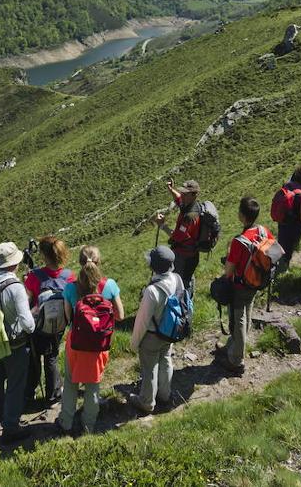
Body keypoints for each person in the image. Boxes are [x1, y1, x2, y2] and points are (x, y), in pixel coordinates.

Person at [57, 246, 123, 434]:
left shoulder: (70, 287)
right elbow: (120, 315)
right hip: (99, 345)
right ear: (99, 262)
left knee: (70, 383)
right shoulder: (109, 285)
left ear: (79, 262)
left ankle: (66, 421)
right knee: (93, 384)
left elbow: (69, 317)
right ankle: (89, 425)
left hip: (76, 343)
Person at [0, 241, 36, 443]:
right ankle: (11, 426)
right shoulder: (16, 287)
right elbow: (28, 325)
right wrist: (33, 312)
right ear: (15, 264)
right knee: (15, 385)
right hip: (14, 344)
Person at [129, 245, 184, 415]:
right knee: (166, 360)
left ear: (153, 267)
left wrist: (134, 342)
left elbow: (142, 321)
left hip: (152, 336)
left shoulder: (152, 291)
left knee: (149, 367)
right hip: (170, 331)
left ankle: (147, 402)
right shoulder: (177, 279)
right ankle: (164, 395)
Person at [216, 197, 266, 376]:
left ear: (242, 216)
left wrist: (229, 257)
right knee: (248, 312)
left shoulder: (239, 241)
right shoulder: (263, 231)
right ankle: (234, 345)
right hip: (257, 281)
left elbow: (229, 271)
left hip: (240, 285)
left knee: (238, 319)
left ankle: (237, 360)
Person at [24, 236, 73, 405]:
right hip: (59, 325)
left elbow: (26, 300)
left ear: (44, 255)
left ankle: (28, 393)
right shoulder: (69, 276)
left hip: (38, 326)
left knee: (34, 358)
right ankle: (53, 394)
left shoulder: (34, 276)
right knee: (51, 357)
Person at [155, 179, 205, 291]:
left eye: (185, 193)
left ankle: (184, 304)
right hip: (190, 253)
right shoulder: (190, 204)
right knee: (187, 279)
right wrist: (171, 189)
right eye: (182, 192)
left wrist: (162, 225)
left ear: (194, 195)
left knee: (181, 285)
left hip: (184, 256)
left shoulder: (190, 216)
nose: (182, 195)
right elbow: (178, 199)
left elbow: (176, 237)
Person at [275, 166, 301, 273]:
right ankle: (282, 271)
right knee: (289, 249)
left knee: (281, 244)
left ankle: (276, 265)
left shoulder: (286, 186)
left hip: (282, 222)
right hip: (294, 228)